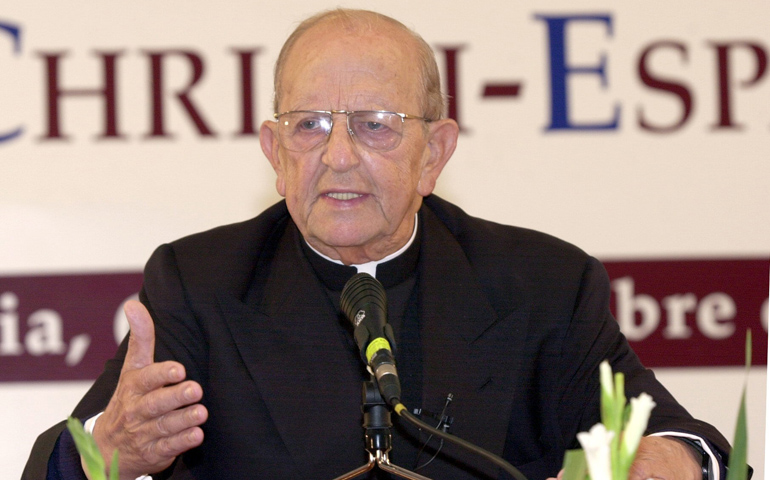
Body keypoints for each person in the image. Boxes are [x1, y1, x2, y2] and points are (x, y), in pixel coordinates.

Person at [24, 8, 735, 480]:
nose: (335, 156)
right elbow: (49, 467)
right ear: (274, 153)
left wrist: (659, 462)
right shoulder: (200, 285)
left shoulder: (542, 284)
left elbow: (692, 443)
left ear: (435, 153)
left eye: (375, 124)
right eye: (307, 126)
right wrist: (104, 451)